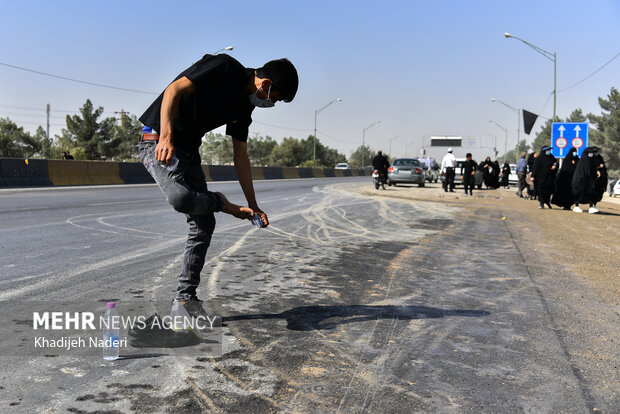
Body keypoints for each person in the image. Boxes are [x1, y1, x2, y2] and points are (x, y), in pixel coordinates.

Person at [138, 53, 298, 314]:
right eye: (275, 98)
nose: (272, 103)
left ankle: (184, 301)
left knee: (204, 221)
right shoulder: (224, 67)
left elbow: (241, 157)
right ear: (266, 84)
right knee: (182, 199)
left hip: (187, 151)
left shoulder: (244, 108)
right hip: (157, 140)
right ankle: (222, 203)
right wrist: (166, 138)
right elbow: (173, 90)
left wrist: (253, 206)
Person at [572, 146, 607, 214]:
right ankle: (576, 206)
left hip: (589, 180)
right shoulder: (583, 161)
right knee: (579, 193)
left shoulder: (592, 160)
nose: (592, 154)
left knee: (590, 192)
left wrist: (597, 171)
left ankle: (591, 207)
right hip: (581, 181)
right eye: (591, 152)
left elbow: (593, 168)